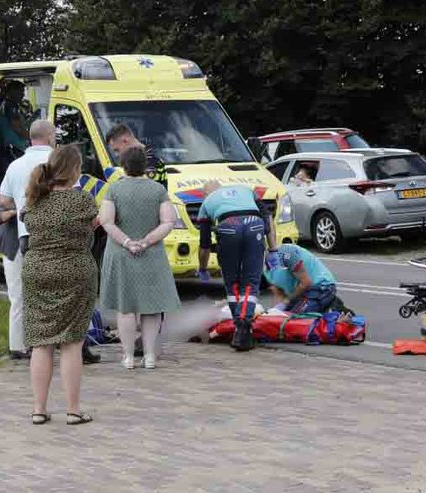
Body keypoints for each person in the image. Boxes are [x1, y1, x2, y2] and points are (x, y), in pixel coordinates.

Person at [21, 145, 100, 426]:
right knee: (71, 343)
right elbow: (94, 224)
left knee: (41, 343)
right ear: (76, 170)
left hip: (37, 271)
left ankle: (38, 409)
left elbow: (25, 220)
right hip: (75, 271)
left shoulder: (34, 199)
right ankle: (73, 409)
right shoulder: (82, 201)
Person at [98, 146, 181, 369]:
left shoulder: (113, 189)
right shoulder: (158, 190)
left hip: (121, 254)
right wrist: (146, 241)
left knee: (125, 308)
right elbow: (168, 222)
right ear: (145, 165)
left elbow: (106, 221)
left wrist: (127, 242)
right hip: (151, 254)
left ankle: (127, 357)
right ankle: (150, 356)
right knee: (151, 307)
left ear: (123, 165)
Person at [0, 119, 56, 360]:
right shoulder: (57, 163)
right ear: (50, 136)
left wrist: (18, 207)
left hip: (19, 236)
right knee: (51, 293)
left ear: (30, 138)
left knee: (18, 295)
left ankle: (17, 346)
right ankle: (50, 343)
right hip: (50, 237)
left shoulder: (15, 165)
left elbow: (3, 202)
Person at [194, 180, 273, 351]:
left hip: (228, 228)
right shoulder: (246, 189)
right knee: (251, 282)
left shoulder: (207, 203)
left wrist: (202, 268)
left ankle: (239, 328)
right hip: (254, 224)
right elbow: (267, 217)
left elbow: (205, 244)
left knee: (233, 283)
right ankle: (244, 325)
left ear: (206, 194)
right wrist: (273, 249)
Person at [263, 240, 342, 314]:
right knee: (280, 318)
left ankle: (333, 309)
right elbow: (278, 292)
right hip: (301, 293)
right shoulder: (263, 269)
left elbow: (306, 283)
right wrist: (277, 309)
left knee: (294, 318)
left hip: (321, 287)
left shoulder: (286, 254)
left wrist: (287, 301)